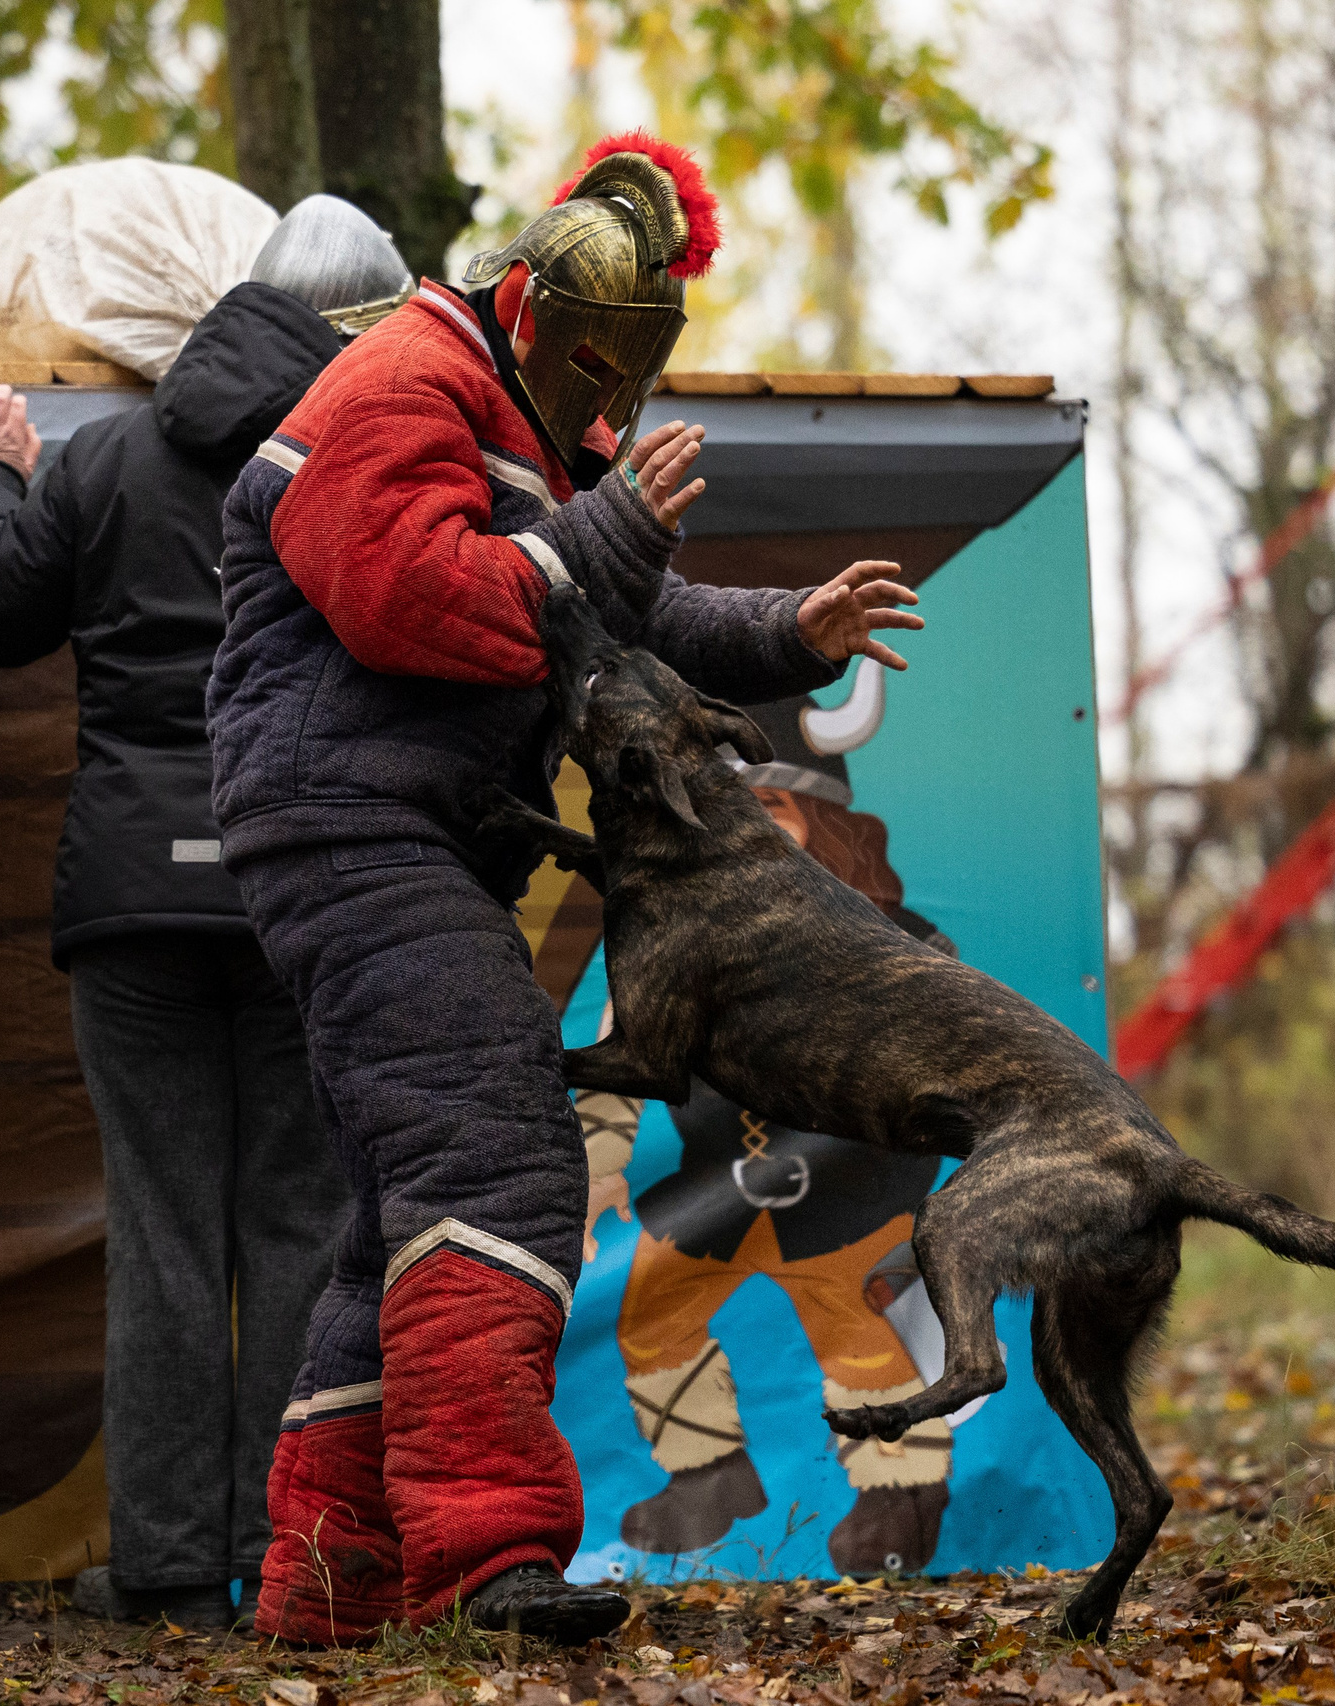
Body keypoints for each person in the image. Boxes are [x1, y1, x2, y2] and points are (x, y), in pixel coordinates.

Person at [204, 132, 933, 1644]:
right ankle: (489, 1565)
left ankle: (330, 1587)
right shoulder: (402, 380)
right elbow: (408, 596)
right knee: (498, 1162)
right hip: (350, 833)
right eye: (601, 374)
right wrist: (598, 533)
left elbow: (633, 608)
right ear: (541, 318)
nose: (612, 411)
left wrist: (796, 625)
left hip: (397, 833)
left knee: (400, 1219)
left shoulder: (521, 411)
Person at [0, 196, 416, 1630]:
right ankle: (292, 1563)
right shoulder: (354, 464)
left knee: (158, 1229)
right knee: (296, 1226)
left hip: (134, 900)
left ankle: (158, 1565)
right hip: (296, 889)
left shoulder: (108, 457)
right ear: (354, 331)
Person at [578, 692, 964, 1581]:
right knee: (648, 1324)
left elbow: (964, 1061)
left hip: (851, 1207)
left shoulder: (903, 945)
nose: (750, 834)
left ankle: (900, 1495)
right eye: (729, 815)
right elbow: (613, 1065)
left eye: (773, 811)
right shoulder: (664, 945)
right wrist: (599, 1170)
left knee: (867, 1349)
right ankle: (710, 1475)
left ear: (824, 824)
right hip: (714, 1203)